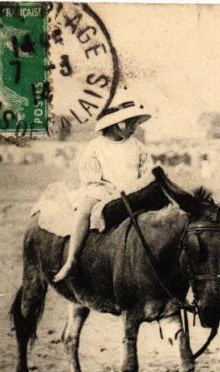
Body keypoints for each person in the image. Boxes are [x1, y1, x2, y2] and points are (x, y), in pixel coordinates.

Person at [53, 100, 154, 282]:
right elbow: (91, 179)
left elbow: (147, 172)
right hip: (103, 191)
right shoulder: (96, 147)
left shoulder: (137, 146)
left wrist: (139, 187)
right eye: (130, 124)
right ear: (116, 125)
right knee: (84, 210)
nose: (134, 128)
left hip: (133, 191)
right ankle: (72, 260)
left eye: (136, 124)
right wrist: (108, 190)